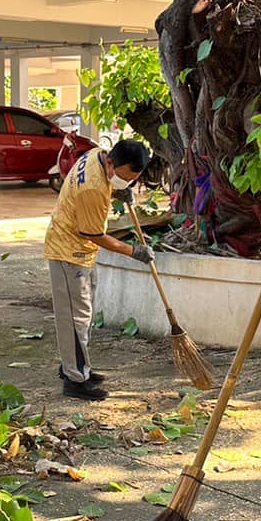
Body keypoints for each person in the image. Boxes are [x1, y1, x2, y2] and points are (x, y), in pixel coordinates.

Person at [43, 139, 153, 401]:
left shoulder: (96, 154)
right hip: (68, 252)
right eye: (125, 178)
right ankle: (75, 380)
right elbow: (94, 234)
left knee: (85, 314)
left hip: (81, 252)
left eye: (132, 180)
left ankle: (77, 366)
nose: (127, 183)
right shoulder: (92, 187)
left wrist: (118, 191)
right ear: (112, 164)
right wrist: (133, 251)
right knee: (74, 319)